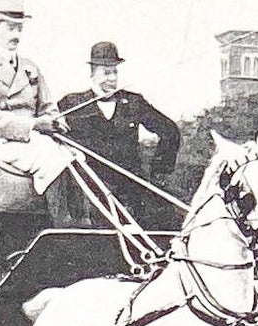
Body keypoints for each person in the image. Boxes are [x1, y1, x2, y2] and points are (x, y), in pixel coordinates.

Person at [0, 0, 79, 216]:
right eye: (10, 28)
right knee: (51, 158)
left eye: (19, 28)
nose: (15, 34)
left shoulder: (30, 67)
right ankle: (63, 226)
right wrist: (35, 126)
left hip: (34, 140)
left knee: (75, 156)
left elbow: (48, 107)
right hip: (0, 143)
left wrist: (56, 122)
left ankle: (82, 225)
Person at [54, 40, 181, 227]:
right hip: (88, 193)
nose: (112, 79)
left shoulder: (133, 102)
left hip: (130, 191)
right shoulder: (71, 104)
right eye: (106, 73)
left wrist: (158, 172)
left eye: (115, 72)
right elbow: (53, 135)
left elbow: (170, 131)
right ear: (92, 73)